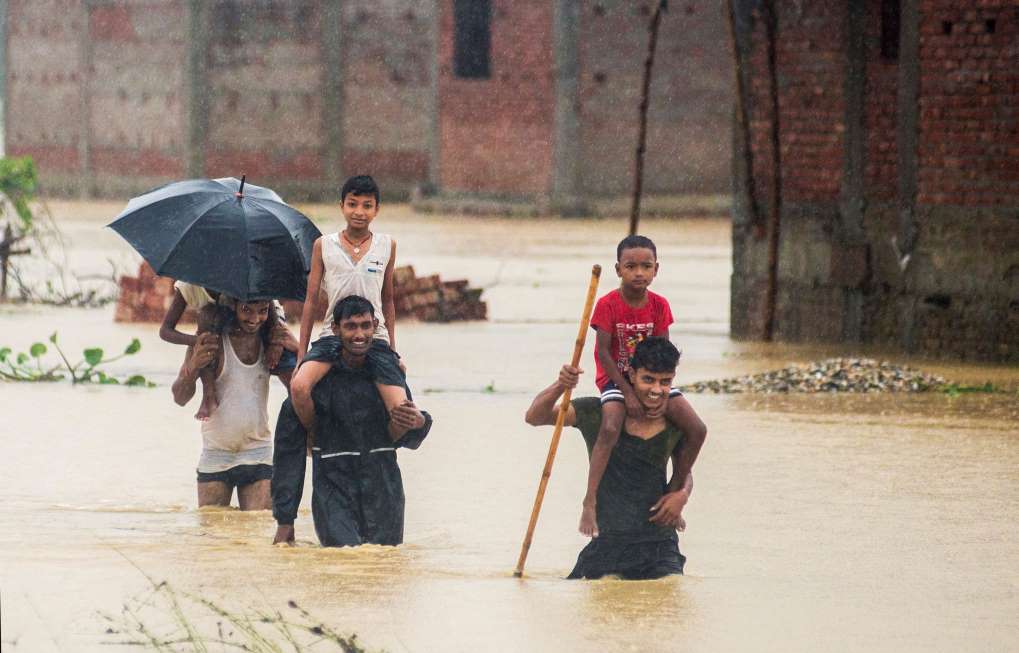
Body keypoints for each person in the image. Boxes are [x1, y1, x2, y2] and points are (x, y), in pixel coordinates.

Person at [525, 337, 693, 579]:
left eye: (665, 382)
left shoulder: (676, 421)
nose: (657, 390)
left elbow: (685, 471)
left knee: (668, 596)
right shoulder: (598, 412)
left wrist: (682, 495)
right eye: (648, 380)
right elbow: (535, 416)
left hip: (659, 544)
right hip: (607, 543)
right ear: (632, 375)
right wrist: (560, 385)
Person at [272, 295, 432, 547]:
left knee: (383, 568)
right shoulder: (316, 388)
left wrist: (420, 422)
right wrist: (285, 520)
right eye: (351, 326)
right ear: (335, 329)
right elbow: (288, 454)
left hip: (383, 491)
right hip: (334, 491)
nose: (359, 335)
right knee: (342, 563)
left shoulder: (387, 377)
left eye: (365, 326)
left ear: (375, 326)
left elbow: (409, 438)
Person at [579, 235, 708, 538]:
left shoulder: (659, 305)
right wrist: (625, 391)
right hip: (616, 378)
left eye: (646, 266)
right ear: (618, 269)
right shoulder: (608, 305)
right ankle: (589, 499)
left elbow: (663, 352)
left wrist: (660, 394)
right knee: (610, 427)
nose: (639, 273)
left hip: (651, 378)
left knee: (697, 428)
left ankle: (673, 492)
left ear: (656, 270)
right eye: (631, 266)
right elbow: (603, 353)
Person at [291, 174, 408, 444]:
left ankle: (380, 448)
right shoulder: (324, 245)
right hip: (333, 336)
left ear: (377, 210)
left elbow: (388, 299)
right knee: (299, 387)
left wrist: (392, 347)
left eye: (367, 205)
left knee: (401, 407)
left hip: (373, 337)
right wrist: (301, 354)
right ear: (341, 206)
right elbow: (310, 301)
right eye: (352, 204)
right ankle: (317, 436)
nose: (359, 212)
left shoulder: (387, 245)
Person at [172, 297, 298, 510]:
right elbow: (180, 398)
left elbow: (297, 390)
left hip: (258, 453)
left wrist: (295, 348)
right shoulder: (210, 341)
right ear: (234, 307)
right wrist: (193, 367)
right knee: (213, 539)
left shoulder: (270, 343)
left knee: (257, 535)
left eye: (262, 311)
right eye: (247, 310)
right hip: (216, 453)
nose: (254, 319)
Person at [161, 282, 293, 420]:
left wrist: (276, 343)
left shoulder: (235, 273)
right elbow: (165, 331)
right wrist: (196, 341)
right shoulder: (188, 285)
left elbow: (268, 302)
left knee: (284, 356)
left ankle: (297, 405)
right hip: (216, 321)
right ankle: (209, 394)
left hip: (265, 311)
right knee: (206, 319)